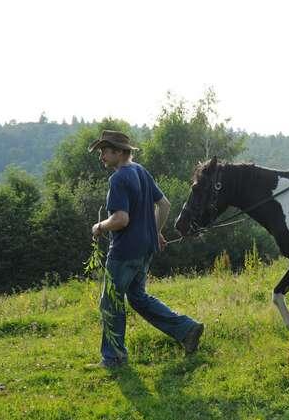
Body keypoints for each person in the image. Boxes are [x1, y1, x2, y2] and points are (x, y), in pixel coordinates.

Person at [86, 130, 203, 369]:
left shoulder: (118, 178)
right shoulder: (140, 171)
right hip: (145, 250)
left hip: (124, 251)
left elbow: (120, 219)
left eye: (104, 151)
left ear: (118, 152)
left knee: (110, 302)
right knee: (138, 298)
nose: (101, 157)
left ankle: (114, 358)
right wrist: (155, 231)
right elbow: (165, 204)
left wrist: (99, 226)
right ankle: (187, 329)